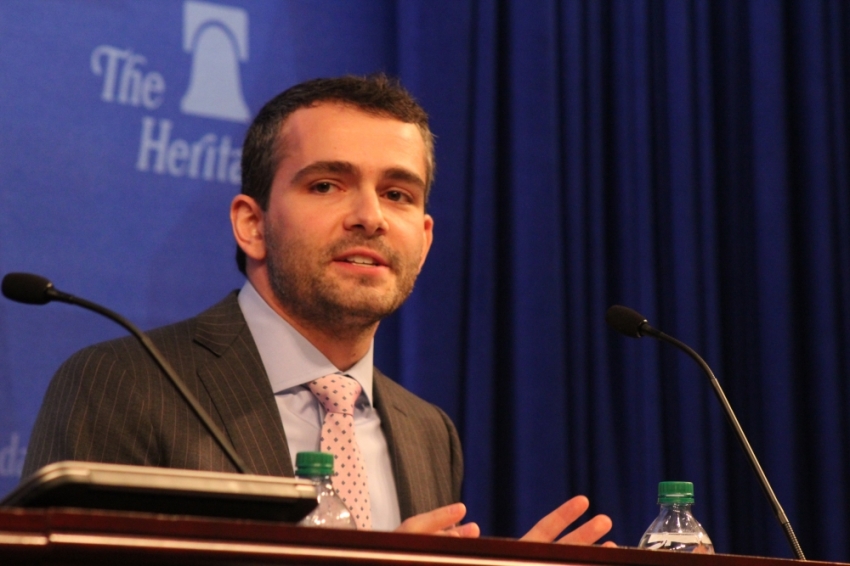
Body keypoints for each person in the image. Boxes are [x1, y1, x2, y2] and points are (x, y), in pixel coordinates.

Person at [22, 75, 613, 544]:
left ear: (425, 239)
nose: (370, 216)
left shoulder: (428, 431)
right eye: (327, 184)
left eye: (398, 194)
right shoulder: (124, 386)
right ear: (252, 225)